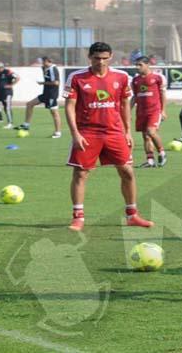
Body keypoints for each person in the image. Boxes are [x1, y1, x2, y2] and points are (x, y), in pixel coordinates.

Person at [64, 42, 154, 232]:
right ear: (90, 57)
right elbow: (70, 106)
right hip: (88, 132)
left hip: (114, 132)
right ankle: (78, 217)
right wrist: (75, 134)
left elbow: (124, 105)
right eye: (97, 58)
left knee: (127, 172)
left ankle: (132, 215)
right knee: (81, 173)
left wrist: (127, 131)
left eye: (105, 58)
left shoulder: (121, 77)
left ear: (111, 57)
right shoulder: (77, 77)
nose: (101, 62)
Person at [131, 56, 168, 168]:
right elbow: (134, 97)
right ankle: (150, 160)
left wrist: (163, 110)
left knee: (151, 132)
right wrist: (128, 111)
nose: (137, 67)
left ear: (148, 65)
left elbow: (163, 94)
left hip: (154, 111)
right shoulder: (135, 80)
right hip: (141, 112)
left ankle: (162, 153)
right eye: (136, 65)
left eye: (140, 65)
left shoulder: (157, 77)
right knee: (146, 137)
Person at [14, 57, 62, 138]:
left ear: (48, 61)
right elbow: (40, 66)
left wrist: (42, 83)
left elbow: (56, 83)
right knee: (29, 104)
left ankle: (58, 133)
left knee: (54, 113)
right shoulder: (44, 68)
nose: (42, 64)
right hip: (45, 94)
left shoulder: (53, 69)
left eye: (43, 62)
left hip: (52, 95)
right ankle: (26, 125)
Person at [0, 62, 19, 128]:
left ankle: (10, 123)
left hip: (7, 93)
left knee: (8, 107)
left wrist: (11, 85)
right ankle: (9, 122)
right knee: (5, 107)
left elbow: (17, 77)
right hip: (1, 93)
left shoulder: (7, 71)